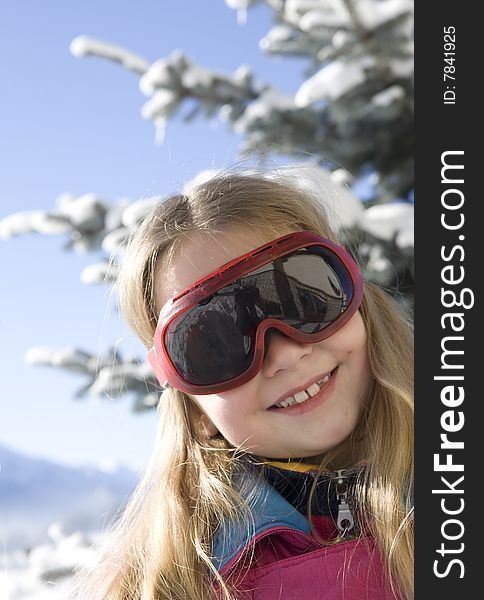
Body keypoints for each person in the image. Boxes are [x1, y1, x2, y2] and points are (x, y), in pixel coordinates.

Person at [71, 168, 414, 599]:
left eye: (305, 296)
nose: (284, 355)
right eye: (216, 343)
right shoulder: (174, 587)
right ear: (195, 408)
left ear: (355, 296)